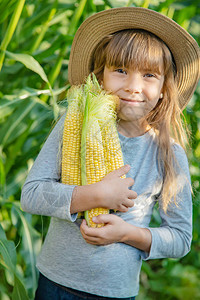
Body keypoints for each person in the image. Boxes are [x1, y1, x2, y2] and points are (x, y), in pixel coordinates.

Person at [20, 7, 200, 300]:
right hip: (55, 284)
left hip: (115, 293)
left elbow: (180, 238)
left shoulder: (169, 154)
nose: (133, 87)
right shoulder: (73, 125)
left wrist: (125, 234)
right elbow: (32, 195)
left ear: (165, 88)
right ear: (100, 77)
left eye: (149, 75)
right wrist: (96, 195)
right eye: (120, 70)